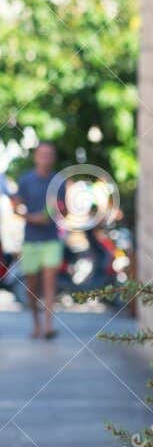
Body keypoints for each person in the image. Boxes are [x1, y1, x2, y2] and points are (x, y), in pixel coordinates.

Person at [12, 142, 65, 340]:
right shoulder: (26, 180)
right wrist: (19, 208)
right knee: (32, 287)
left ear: (53, 158)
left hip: (51, 240)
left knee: (50, 284)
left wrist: (28, 216)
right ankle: (37, 325)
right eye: (42, 154)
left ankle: (48, 326)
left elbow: (52, 213)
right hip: (31, 241)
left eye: (49, 154)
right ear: (36, 156)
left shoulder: (58, 181)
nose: (45, 158)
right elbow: (17, 203)